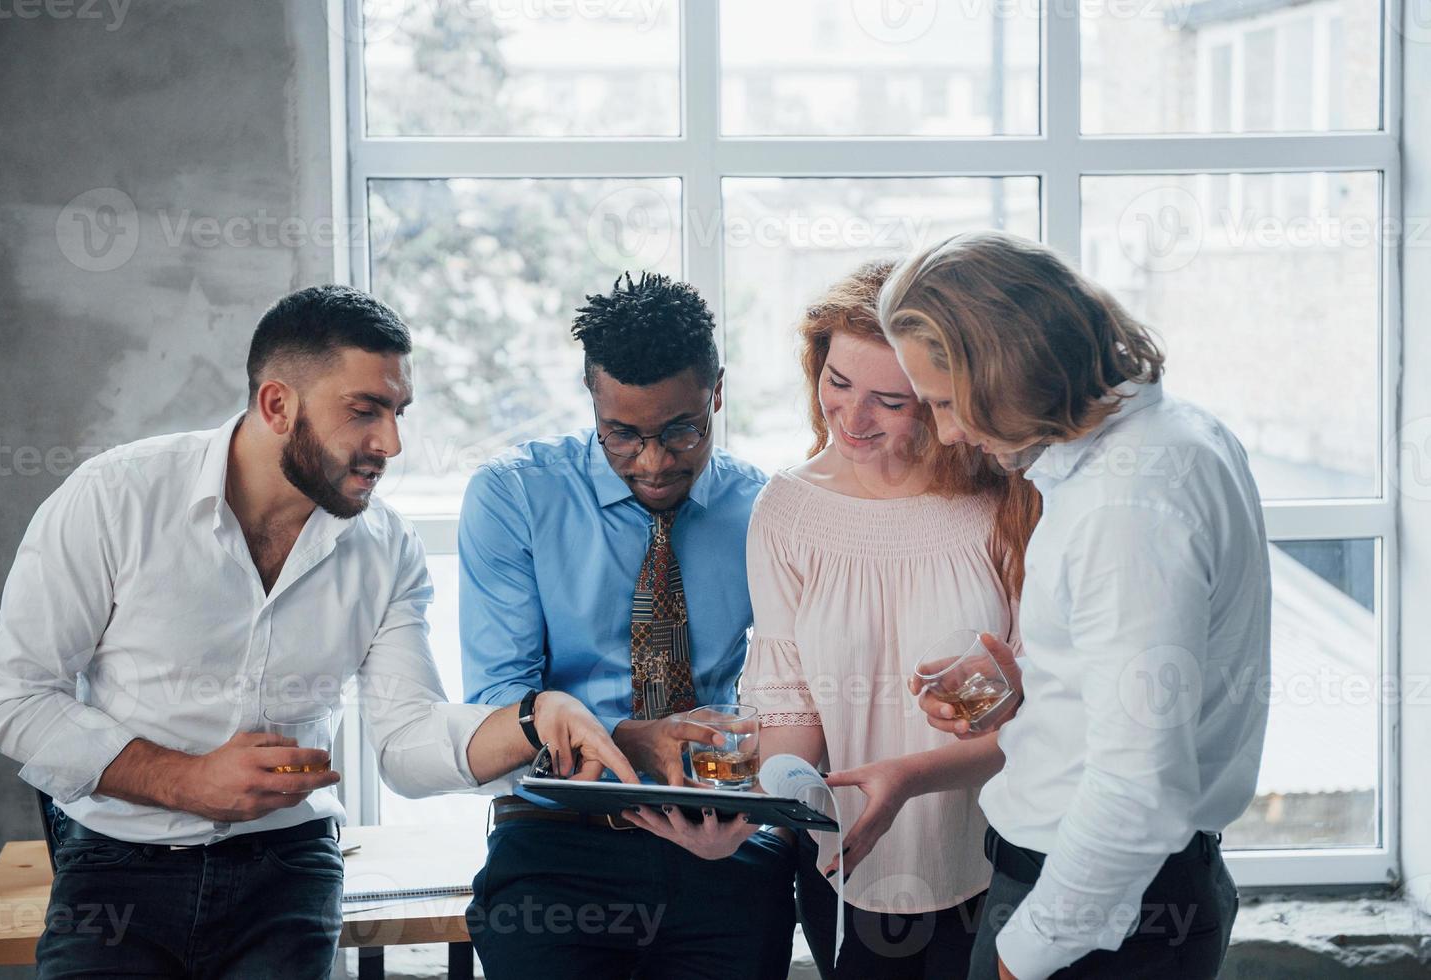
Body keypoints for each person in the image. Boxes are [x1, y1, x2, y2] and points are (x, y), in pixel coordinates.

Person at [0, 284, 634, 979]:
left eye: (398, 412)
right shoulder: (114, 498)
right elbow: (13, 700)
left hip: (288, 868)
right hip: (116, 868)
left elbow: (407, 743)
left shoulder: (386, 549)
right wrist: (188, 780)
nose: (392, 443)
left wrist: (537, 716)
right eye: (364, 412)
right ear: (277, 405)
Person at [881, 231, 1271, 980]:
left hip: (1093, 918)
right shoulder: (1178, 437)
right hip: (1115, 899)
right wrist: (1038, 689)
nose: (950, 432)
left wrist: (1024, 957)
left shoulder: (1124, 506)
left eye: (947, 403)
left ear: (1009, 367)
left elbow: (1138, 788)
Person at [641, 260, 1039, 978]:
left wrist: (981, 715)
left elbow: (1044, 711)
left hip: (1001, 856)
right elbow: (790, 705)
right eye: (838, 382)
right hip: (847, 862)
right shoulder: (789, 508)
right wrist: (747, 815)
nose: (852, 420)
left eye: (890, 399)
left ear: (951, 396)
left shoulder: (1008, 497)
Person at [459, 271, 797, 979]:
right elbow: (500, 705)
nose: (653, 462)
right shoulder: (516, 496)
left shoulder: (763, 510)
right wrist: (625, 741)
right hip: (559, 844)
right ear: (593, 402)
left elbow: (791, 695)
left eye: (681, 430)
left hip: (719, 838)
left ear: (718, 393)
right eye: (623, 435)